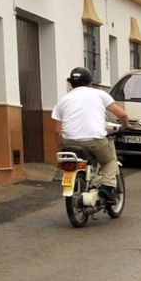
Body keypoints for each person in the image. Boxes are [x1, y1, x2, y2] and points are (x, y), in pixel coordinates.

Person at [52, 67, 128, 200]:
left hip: (69, 142)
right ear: (90, 83)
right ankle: (107, 187)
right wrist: (125, 125)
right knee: (109, 161)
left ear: (71, 83)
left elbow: (57, 131)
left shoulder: (63, 100)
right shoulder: (99, 94)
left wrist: (62, 149)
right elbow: (122, 114)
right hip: (94, 140)